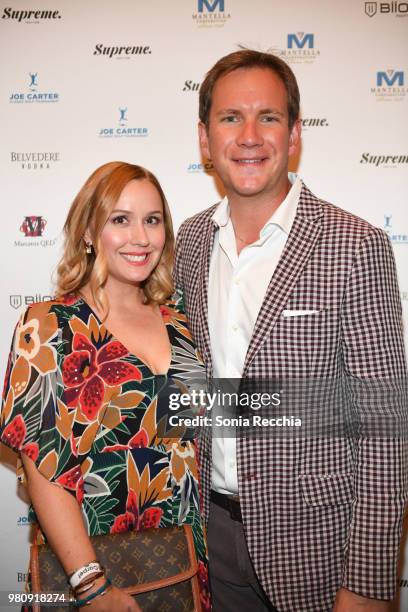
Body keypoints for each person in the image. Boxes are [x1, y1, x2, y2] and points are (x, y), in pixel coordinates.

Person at [174, 50, 407, 612]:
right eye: (231, 118)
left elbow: (386, 430)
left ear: (295, 134)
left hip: (318, 552)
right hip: (210, 537)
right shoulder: (188, 242)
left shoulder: (355, 246)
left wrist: (370, 585)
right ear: (205, 140)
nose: (249, 135)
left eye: (268, 117)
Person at [0, 161, 211, 611]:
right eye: (121, 219)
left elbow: (201, 443)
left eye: (152, 220)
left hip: (187, 560)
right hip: (89, 568)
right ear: (89, 233)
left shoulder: (183, 322)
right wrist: (91, 586)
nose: (140, 237)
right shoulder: (48, 325)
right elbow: (42, 470)